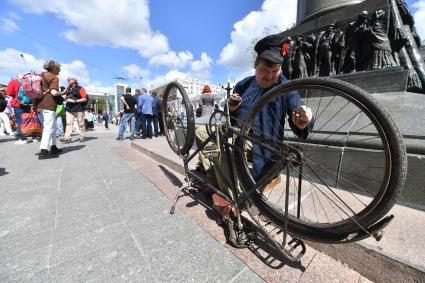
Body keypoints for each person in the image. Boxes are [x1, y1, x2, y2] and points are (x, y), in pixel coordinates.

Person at [195, 33, 313, 198]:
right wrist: (232, 107)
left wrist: (303, 121)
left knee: (225, 145)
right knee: (200, 132)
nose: (270, 76)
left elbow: (299, 111)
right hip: (235, 130)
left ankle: (233, 197)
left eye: (275, 71)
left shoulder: (285, 88)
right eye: (265, 70)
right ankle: (213, 172)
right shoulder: (243, 85)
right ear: (255, 65)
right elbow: (228, 114)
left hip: (261, 141)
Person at [33, 60, 63, 159]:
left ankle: (53, 147)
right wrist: (62, 94)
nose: (60, 70)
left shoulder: (40, 75)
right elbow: (54, 92)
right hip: (49, 105)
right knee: (48, 128)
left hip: (39, 105)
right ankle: (43, 151)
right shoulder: (54, 77)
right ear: (54, 68)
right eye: (59, 68)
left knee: (52, 127)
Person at [61, 77, 87, 143]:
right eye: (67, 80)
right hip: (69, 109)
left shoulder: (81, 88)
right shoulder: (68, 88)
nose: (67, 81)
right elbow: (64, 96)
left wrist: (74, 101)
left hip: (79, 109)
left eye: (69, 79)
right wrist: (63, 97)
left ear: (74, 81)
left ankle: (82, 136)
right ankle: (67, 137)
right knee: (68, 123)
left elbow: (84, 99)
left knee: (81, 124)